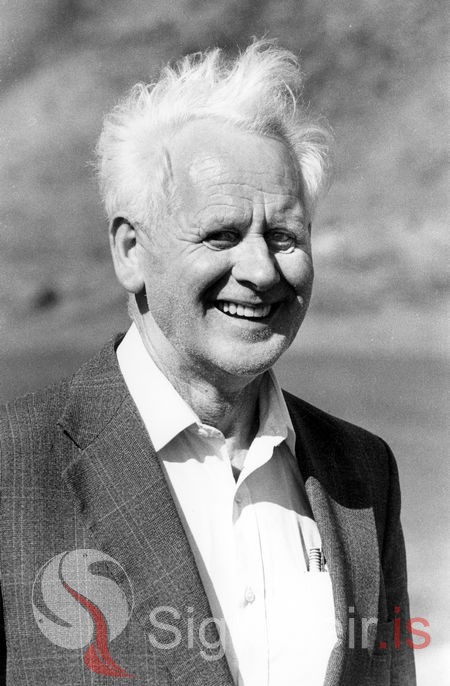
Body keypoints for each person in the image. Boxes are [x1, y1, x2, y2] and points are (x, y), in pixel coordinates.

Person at [0, 40, 416, 685]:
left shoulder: (363, 473)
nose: (260, 271)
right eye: (222, 234)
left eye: (284, 236)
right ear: (131, 251)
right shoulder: (13, 470)